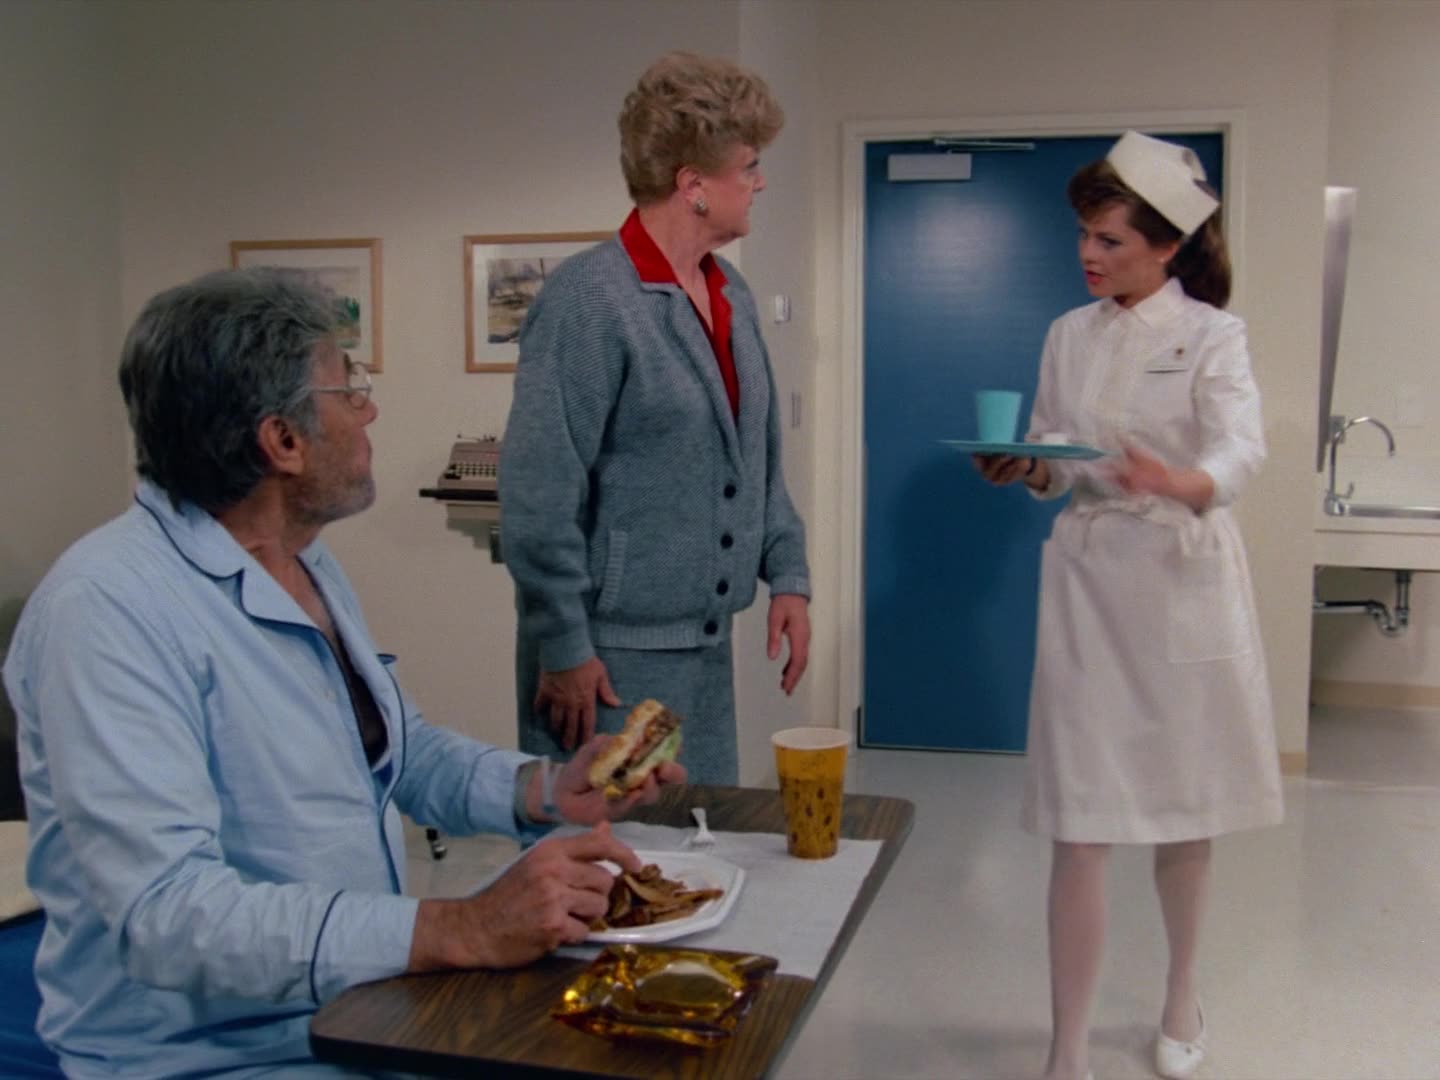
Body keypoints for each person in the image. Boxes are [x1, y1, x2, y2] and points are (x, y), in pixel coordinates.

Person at [2, 268, 683, 1078]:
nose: (369, 411)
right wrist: (458, 927)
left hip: (357, 1014)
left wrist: (541, 791)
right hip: (210, 1060)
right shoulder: (106, 612)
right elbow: (168, 916)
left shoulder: (300, 562)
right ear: (282, 442)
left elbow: (397, 752)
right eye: (349, 388)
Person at [974, 131, 1283, 1080]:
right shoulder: (1068, 334)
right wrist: (1023, 468)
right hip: (1089, 588)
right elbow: (1057, 457)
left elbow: (1242, 448)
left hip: (1181, 581)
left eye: (1108, 239)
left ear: (1167, 247)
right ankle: (1068, 1047)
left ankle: (1182, 994)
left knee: (1185, 810)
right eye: (1083, 235)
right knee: (1080, 821)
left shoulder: (1213, 335)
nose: (1088, 254)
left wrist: (1180, 481)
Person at [500, 51, 811, 784]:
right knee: (616, 847)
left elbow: (758, 460)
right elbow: (539, 495)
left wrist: (788, 575)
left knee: (700, 835)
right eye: (749, 166)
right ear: (693, 185)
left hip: (704, 649)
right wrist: (565, 647)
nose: (761, 182)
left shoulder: (729, 293)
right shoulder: (589, 300)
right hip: (605, 663)